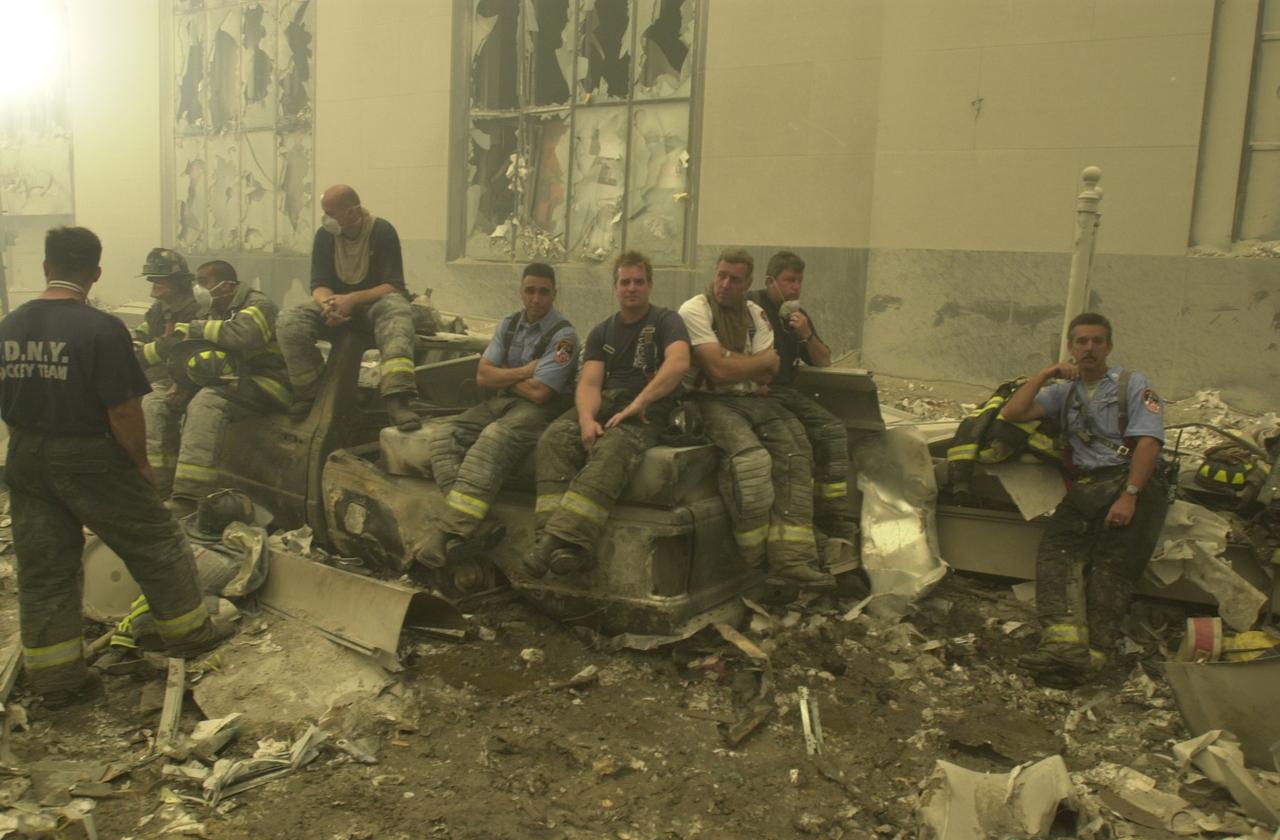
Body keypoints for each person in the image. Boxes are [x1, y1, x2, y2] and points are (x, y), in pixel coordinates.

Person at [0, 227, 232, 708]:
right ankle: (190, 637)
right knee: (156, 541)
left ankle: (57, 681)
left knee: (45, 570)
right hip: (88, 455)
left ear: (46, 268)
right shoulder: (100, 329)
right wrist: (141, 464)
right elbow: (124, 410)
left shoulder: (10, 325)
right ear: (95, 272)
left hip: (24, 456)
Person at [1000, 312, 1168, 686]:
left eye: (1096, 341)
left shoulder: (1133, 385)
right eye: (1081, 342)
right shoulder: (1065, 392)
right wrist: (1046, 374)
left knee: (1111, 574)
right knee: (1057, 555)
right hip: (1090, 487)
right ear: (1071, 347)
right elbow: (1013, 412)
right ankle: (1065, 649)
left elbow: (1148, 444)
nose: (1089, 348)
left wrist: (1129, 497)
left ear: (1108, 346)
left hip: (1127, 484)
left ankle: (1092, 660)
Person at [524, 251, 690, 577]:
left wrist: (640, 402)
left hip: (648, 409)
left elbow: (678, 364)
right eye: (625, 282)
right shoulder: (602, 332)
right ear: (615, 286)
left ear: (650, 285)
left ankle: (552, 544)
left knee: (613, 448)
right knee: (555, 438)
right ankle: (561, 544)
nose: (632, 288)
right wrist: (586, 419)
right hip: (608, 404)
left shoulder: (667, 321)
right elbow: (589, 383)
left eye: (638, 282)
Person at [677, 248, 835, 591]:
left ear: (748, 283)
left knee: (796, 453)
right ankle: (753, 561)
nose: (725, 284)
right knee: (750, 464)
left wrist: (732, 362)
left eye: (735, 279)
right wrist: (746, 364)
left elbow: (771, 370)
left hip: (752, 399)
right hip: (708, 402)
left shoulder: (756, 314)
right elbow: (716, 372)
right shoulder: (694, 310)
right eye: (721, 275)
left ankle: (791, 560)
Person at [419, 263, 579, 566]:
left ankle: (450, 531)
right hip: (500, 402)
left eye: (543, 292)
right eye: (530, 290)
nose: (535, 298)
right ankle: (482, 523)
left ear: (554, 294)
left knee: (495, 436)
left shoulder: (564, 337)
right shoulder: (508, 324)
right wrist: (524, 372)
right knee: (444, 437)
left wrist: (503, 374)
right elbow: (482, 377)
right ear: (520, 291)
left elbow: (540, 393)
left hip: (539, 412)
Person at [142, 259, 292, 503]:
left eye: (203, 282)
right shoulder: (211, 310)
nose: (197, 288)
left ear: (226, 286)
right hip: (231, 379)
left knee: (206, 403)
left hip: (268, 381)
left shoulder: (258, 305)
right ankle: (158, 488)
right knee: (155, 400)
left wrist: (198, 328)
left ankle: (189, 496)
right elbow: (197, 353)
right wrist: (182, 385)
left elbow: (243, 335)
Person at [276, 183, 421, 431]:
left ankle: (397, 397)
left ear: (353, 212)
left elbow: (394, 286)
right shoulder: (324, 236)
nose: (325, 218)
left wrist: (352, 300)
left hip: (373, 307)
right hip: (336, 306)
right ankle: (309, 393)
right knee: (289, 321)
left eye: (331, 212)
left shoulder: (382, 231)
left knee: (397, 311)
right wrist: (328, 305)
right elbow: (319, 284)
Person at [748, 250, 856, 551]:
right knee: (799, 445)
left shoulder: (797, 315)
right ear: (771, 281)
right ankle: (800, 523)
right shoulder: (751, 307)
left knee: (832, 430)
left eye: (799, 281)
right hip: (758, 393)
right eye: (789, 281)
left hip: (787, 392)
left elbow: (824, 361)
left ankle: (833, 515)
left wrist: (806, 334)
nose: (795, 287)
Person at [133, 247, 208, 383]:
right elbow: (146, 328)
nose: (154, 286)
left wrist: (141, 356)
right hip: (157, 364)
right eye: (153, 280)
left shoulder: (193, 307)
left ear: (178, 282)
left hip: (179, 370)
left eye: (160, 281)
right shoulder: (159, 305)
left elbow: (175, 344)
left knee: (143, 387)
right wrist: (135, 345)